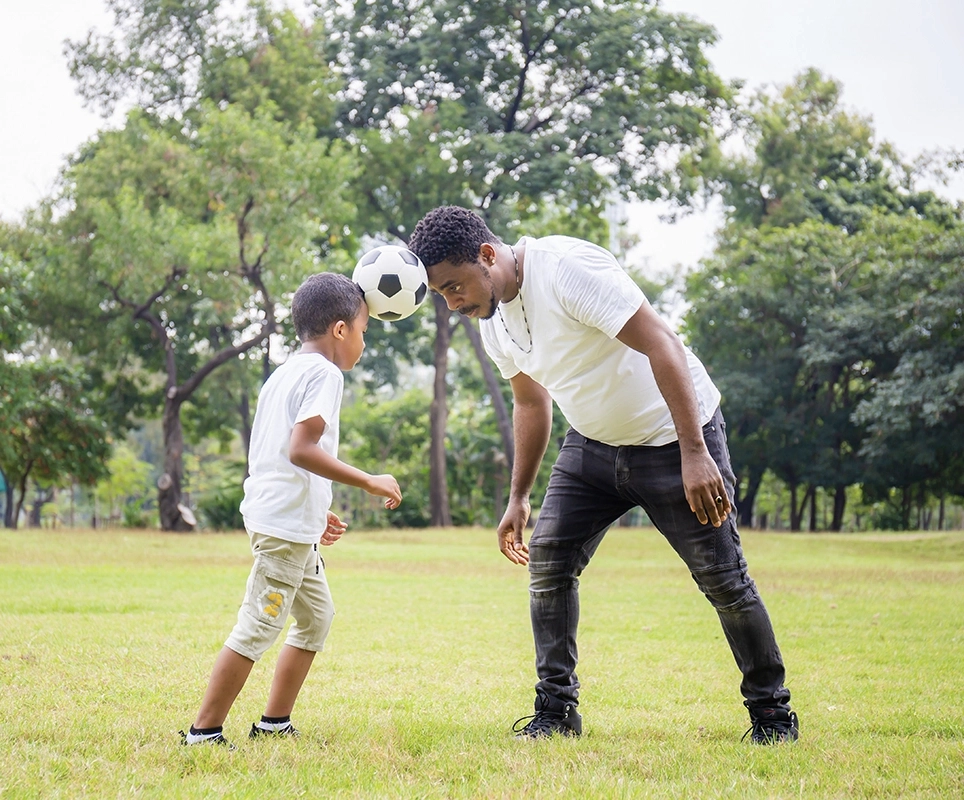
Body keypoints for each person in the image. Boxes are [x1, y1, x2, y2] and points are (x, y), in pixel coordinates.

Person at [408, 206, 798, 744]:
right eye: (442, 296)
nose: (453, 304)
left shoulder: (567, 268)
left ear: (487, 255)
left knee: (723, 579)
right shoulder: (492, 319)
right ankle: (556, 712)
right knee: (549, 560)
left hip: (674, 438)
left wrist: (693, 452)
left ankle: (773, 717)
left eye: (454, 287)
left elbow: (662, 342)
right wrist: (519, 495)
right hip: (593, 447)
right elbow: (530, 403)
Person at [180, 273, 402, 748]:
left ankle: (274, 722)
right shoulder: (325, 373)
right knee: (260, 623)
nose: (363, 340)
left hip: (290, 522)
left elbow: (275, 456)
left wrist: (317, 509)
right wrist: (368, 479)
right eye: (363, 329)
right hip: (283, 529)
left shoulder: (283, 372)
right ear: (340, 330)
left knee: (317, 617)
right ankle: (204, 731)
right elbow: (301, 449)